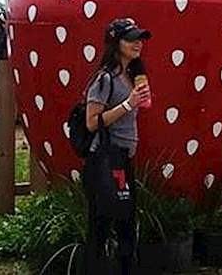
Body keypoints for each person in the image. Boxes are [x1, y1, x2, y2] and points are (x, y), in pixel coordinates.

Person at [82, 18, 152, 274]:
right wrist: (128, 104)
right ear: (115, 43)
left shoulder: (132, 75)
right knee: (101, 226)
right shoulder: (105, 79)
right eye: (131, 39)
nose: (138, 44)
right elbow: (92, 123)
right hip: (105, 160)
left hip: (123, 160)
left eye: (140, 39)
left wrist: (139, 100)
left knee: (125, 224)